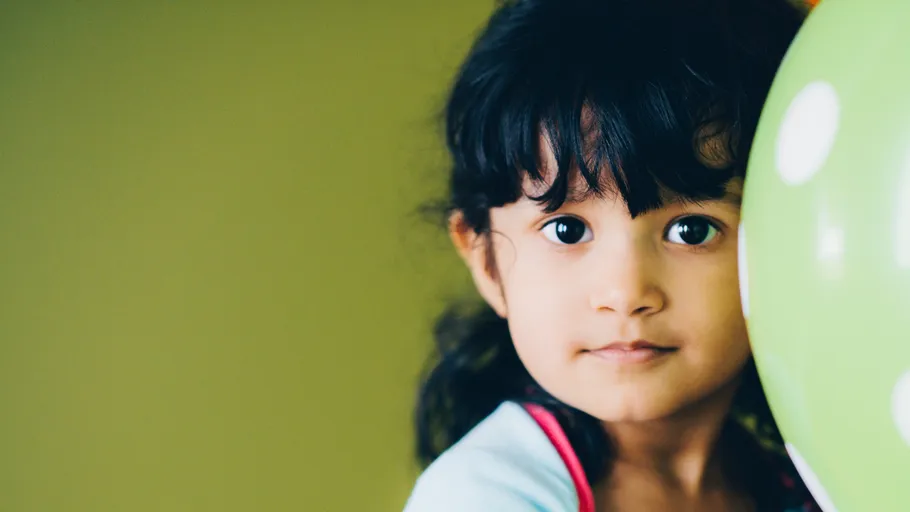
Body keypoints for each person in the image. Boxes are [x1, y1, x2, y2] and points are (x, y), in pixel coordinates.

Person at [405, 0, 820, 510]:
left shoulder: (803, 486)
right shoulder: (487, 494)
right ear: (486, 261)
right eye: (566, 229)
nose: (626, 294)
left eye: (691, 230)